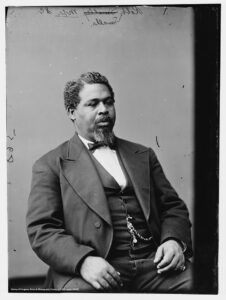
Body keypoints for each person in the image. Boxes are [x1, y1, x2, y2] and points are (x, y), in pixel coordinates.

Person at [26, 71, 193, 292]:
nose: (104, 109)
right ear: (72, 112)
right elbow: (42, 229)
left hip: (155, 266)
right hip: (94, 267)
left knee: (205, 284)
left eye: (108, 102)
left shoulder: (143, 154)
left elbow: (173, 207)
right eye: (93, 104)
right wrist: (83, 261)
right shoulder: (50, 164)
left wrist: (174, 241)